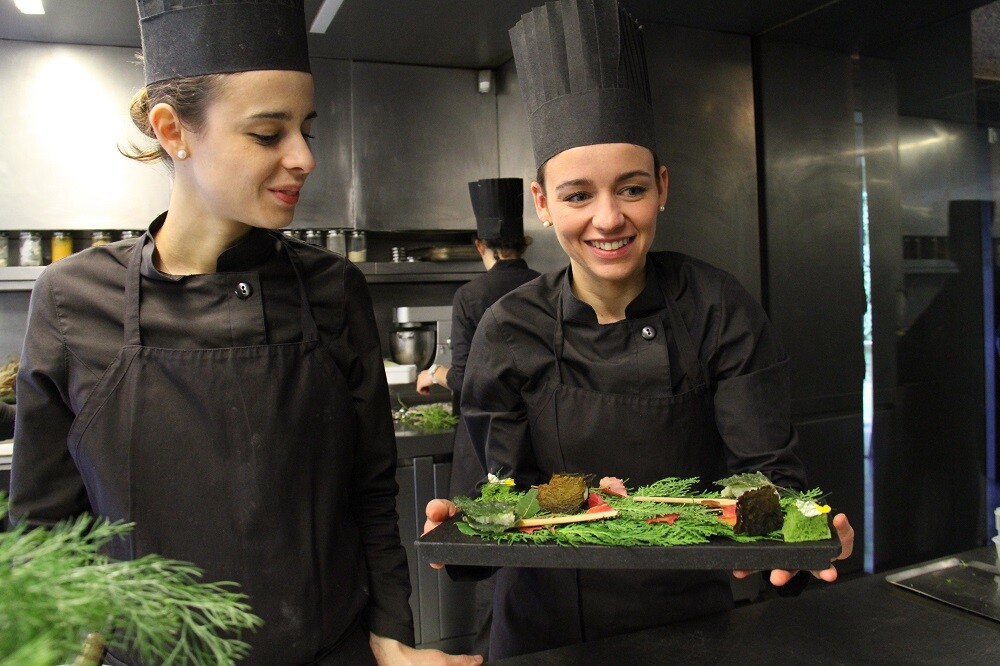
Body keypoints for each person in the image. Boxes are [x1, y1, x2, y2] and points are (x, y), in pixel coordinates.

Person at [8, 2, 480, 665]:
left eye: (306, 130)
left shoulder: (332, 289)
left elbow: (371, 490)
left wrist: (393, 636)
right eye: (267, 134)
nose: (304, 157)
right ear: (173, 131)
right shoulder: (71, 299)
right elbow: (43, 531)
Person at [424, 0, 855, 660]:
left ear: (662, 186)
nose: (608, 219)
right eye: (577, 195)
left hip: (690, 624)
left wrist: (801, 532)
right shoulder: (508, 328)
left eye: (631, 189)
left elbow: (769, 473)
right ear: (542, 203)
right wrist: (460, 527)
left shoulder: (719, 309)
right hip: (542, 630)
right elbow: (489, 499)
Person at [415, 178, 539, 658]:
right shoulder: (548, 285)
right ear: (524, 242)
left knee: (492, 549)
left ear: (479, 245)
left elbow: (469, 379)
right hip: (541, 437)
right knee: (539, 546)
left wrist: (435, 372)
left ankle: (494, 652)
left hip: (486, 440)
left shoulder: (471, 294)